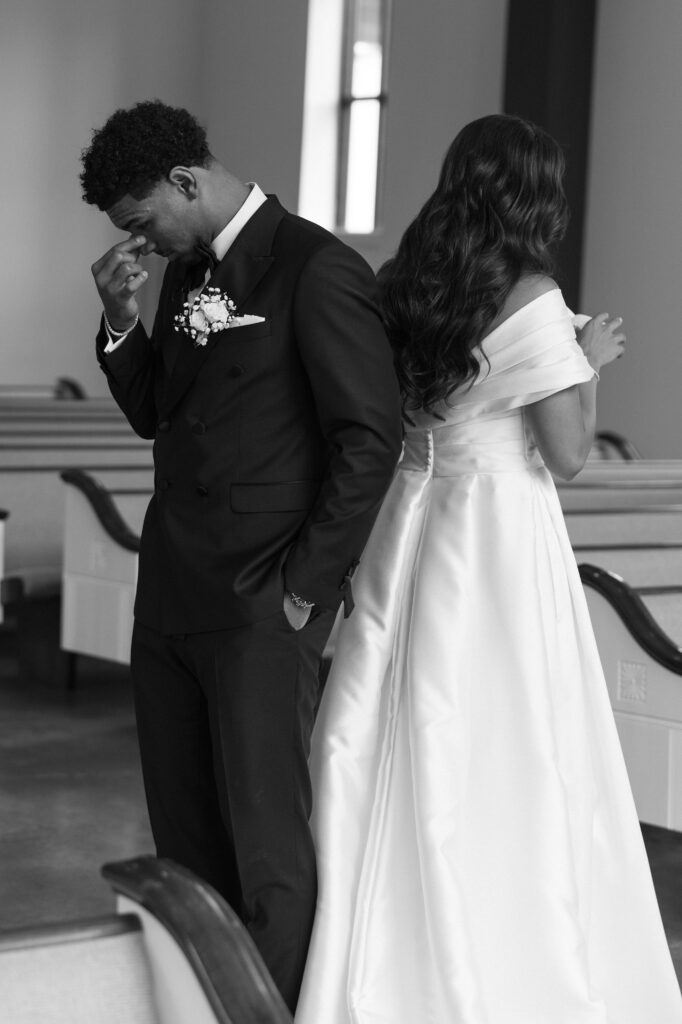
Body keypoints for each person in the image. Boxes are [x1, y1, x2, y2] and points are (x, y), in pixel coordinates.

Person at [295, 114, 682, 1023]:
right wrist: (588, 365)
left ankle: (364, 920)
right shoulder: (535, 294)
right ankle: (504, 936)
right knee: (504, 728)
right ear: (533, 196)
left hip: (413, 514)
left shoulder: (401, 283)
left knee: (392, 710)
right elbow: (570, 454)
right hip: (498, 534)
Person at [80, 99, 403, 1013]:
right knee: (185, 839)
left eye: (144, 221)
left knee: (268, 849)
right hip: (174, 593)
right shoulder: (186, 274)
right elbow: (157, 413)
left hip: (265, 601)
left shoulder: (318, 268)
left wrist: (305, 590)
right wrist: (118, 319)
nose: (144, 242)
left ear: (186, 181)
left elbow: (367, 441)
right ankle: (200, 1001)